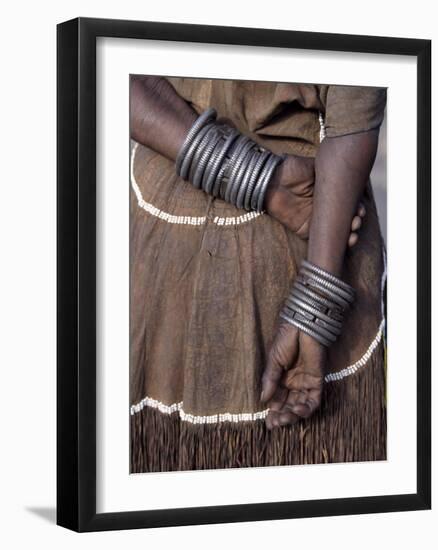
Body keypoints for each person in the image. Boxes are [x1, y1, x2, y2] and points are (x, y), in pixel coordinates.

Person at [129, 76, 386, 472]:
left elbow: (109, 73)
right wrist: (314, 312)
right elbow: (353, 112)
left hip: (163, 240)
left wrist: (259, 179)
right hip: (319, 225)